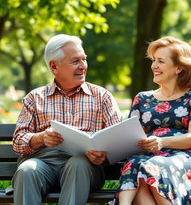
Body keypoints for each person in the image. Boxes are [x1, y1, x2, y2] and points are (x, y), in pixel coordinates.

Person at [12, 34, 122, 205]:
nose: (83, 66)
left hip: (85, 165)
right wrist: (40, 137)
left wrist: (104, 156)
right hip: (43, 162)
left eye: (84, 59)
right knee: (27, 170)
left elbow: (118, 139)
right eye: (75, 61)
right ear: (54, 66)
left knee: (78, 164)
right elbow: (18, 142)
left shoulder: (102, 96)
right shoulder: (35, 98)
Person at [112, 36, 191, 205]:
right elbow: (130, 136)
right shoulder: (142, 98)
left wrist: (162, 142)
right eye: (153, 60)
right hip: (149, 158)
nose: (154, 66)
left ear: (179, 67)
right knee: (136, 164)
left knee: (149, 168)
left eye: (160, 61)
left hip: (187, 157)